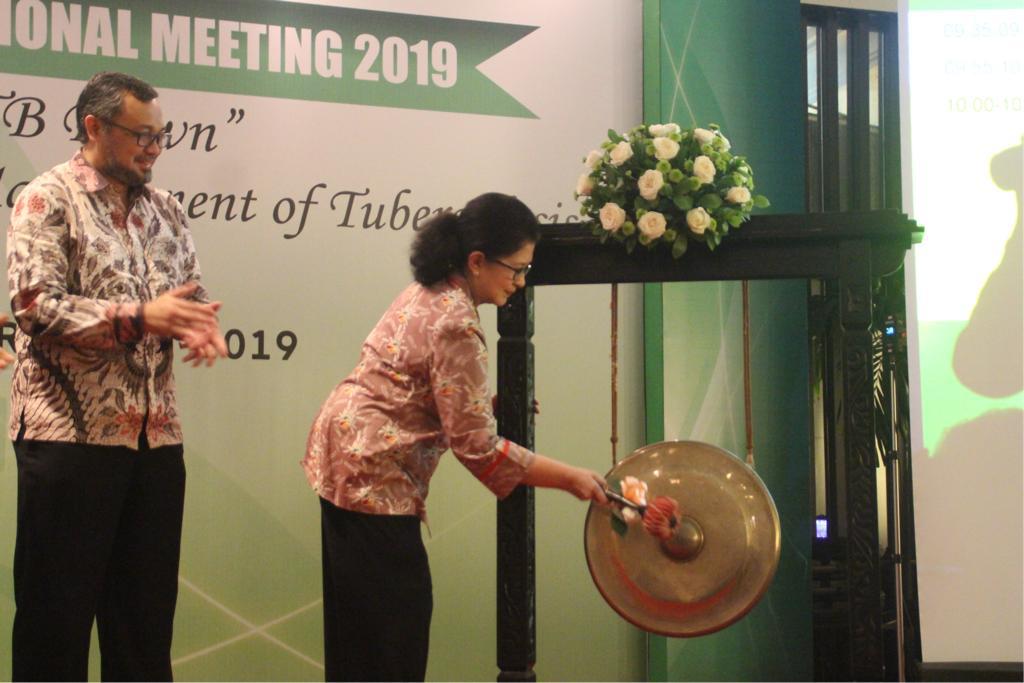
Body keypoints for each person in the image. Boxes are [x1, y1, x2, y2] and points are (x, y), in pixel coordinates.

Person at [302, 192, 608, 682]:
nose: (521, 282)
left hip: (344, 460)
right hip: (372, 478)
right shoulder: (456, 321)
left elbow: (422, 387)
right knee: (391, 640)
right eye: (516, 269)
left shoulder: (434, 289)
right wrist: (570, 478)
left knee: (357, 638)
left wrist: (479, 407)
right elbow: (478, 449)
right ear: (477, 261)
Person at [6, 71, 227, 681]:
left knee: (144, 629)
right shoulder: (47, 198)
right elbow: (35, 307)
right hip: (68, 442)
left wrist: (198, 323)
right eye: (142, 136)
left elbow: (191, 290)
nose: (153, 149)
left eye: (161, 136)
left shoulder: (167, 209)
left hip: (155, 442)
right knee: (56, 626)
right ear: (94, 127)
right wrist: (137, 317)